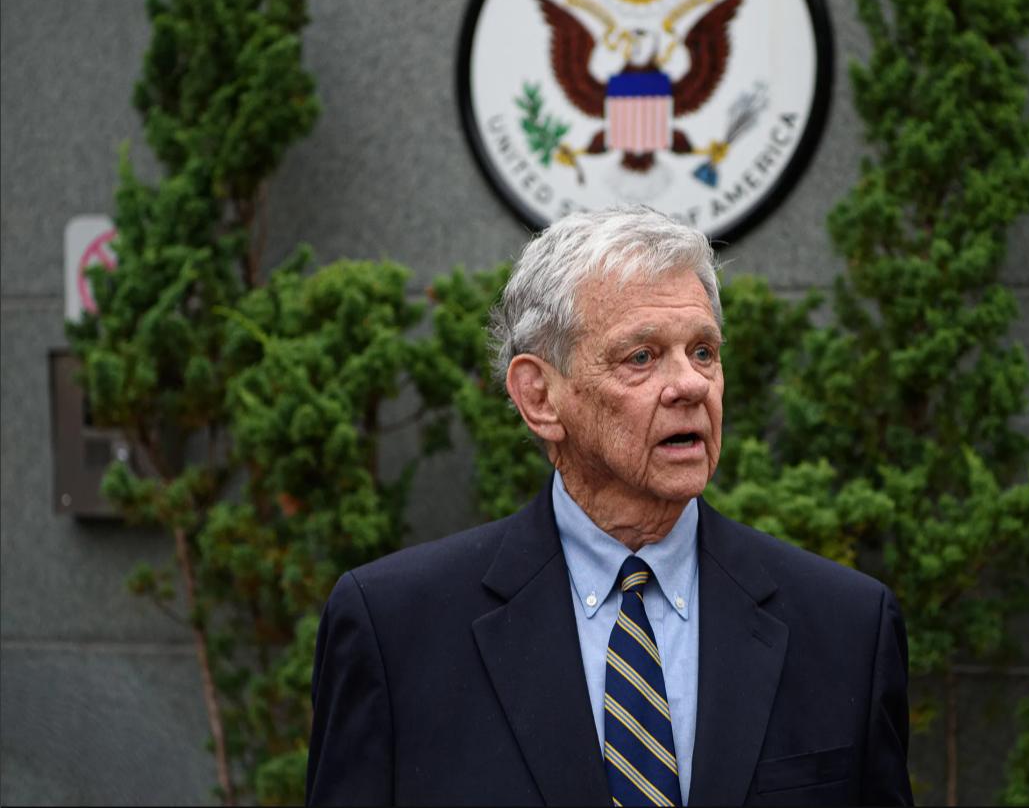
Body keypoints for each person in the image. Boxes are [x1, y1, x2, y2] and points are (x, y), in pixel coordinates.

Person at [305, 206, 912, 806]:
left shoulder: (847, 627)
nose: (691, 384)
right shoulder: (395, 629)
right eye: (642, 357)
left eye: (703, 352)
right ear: (540, 396)